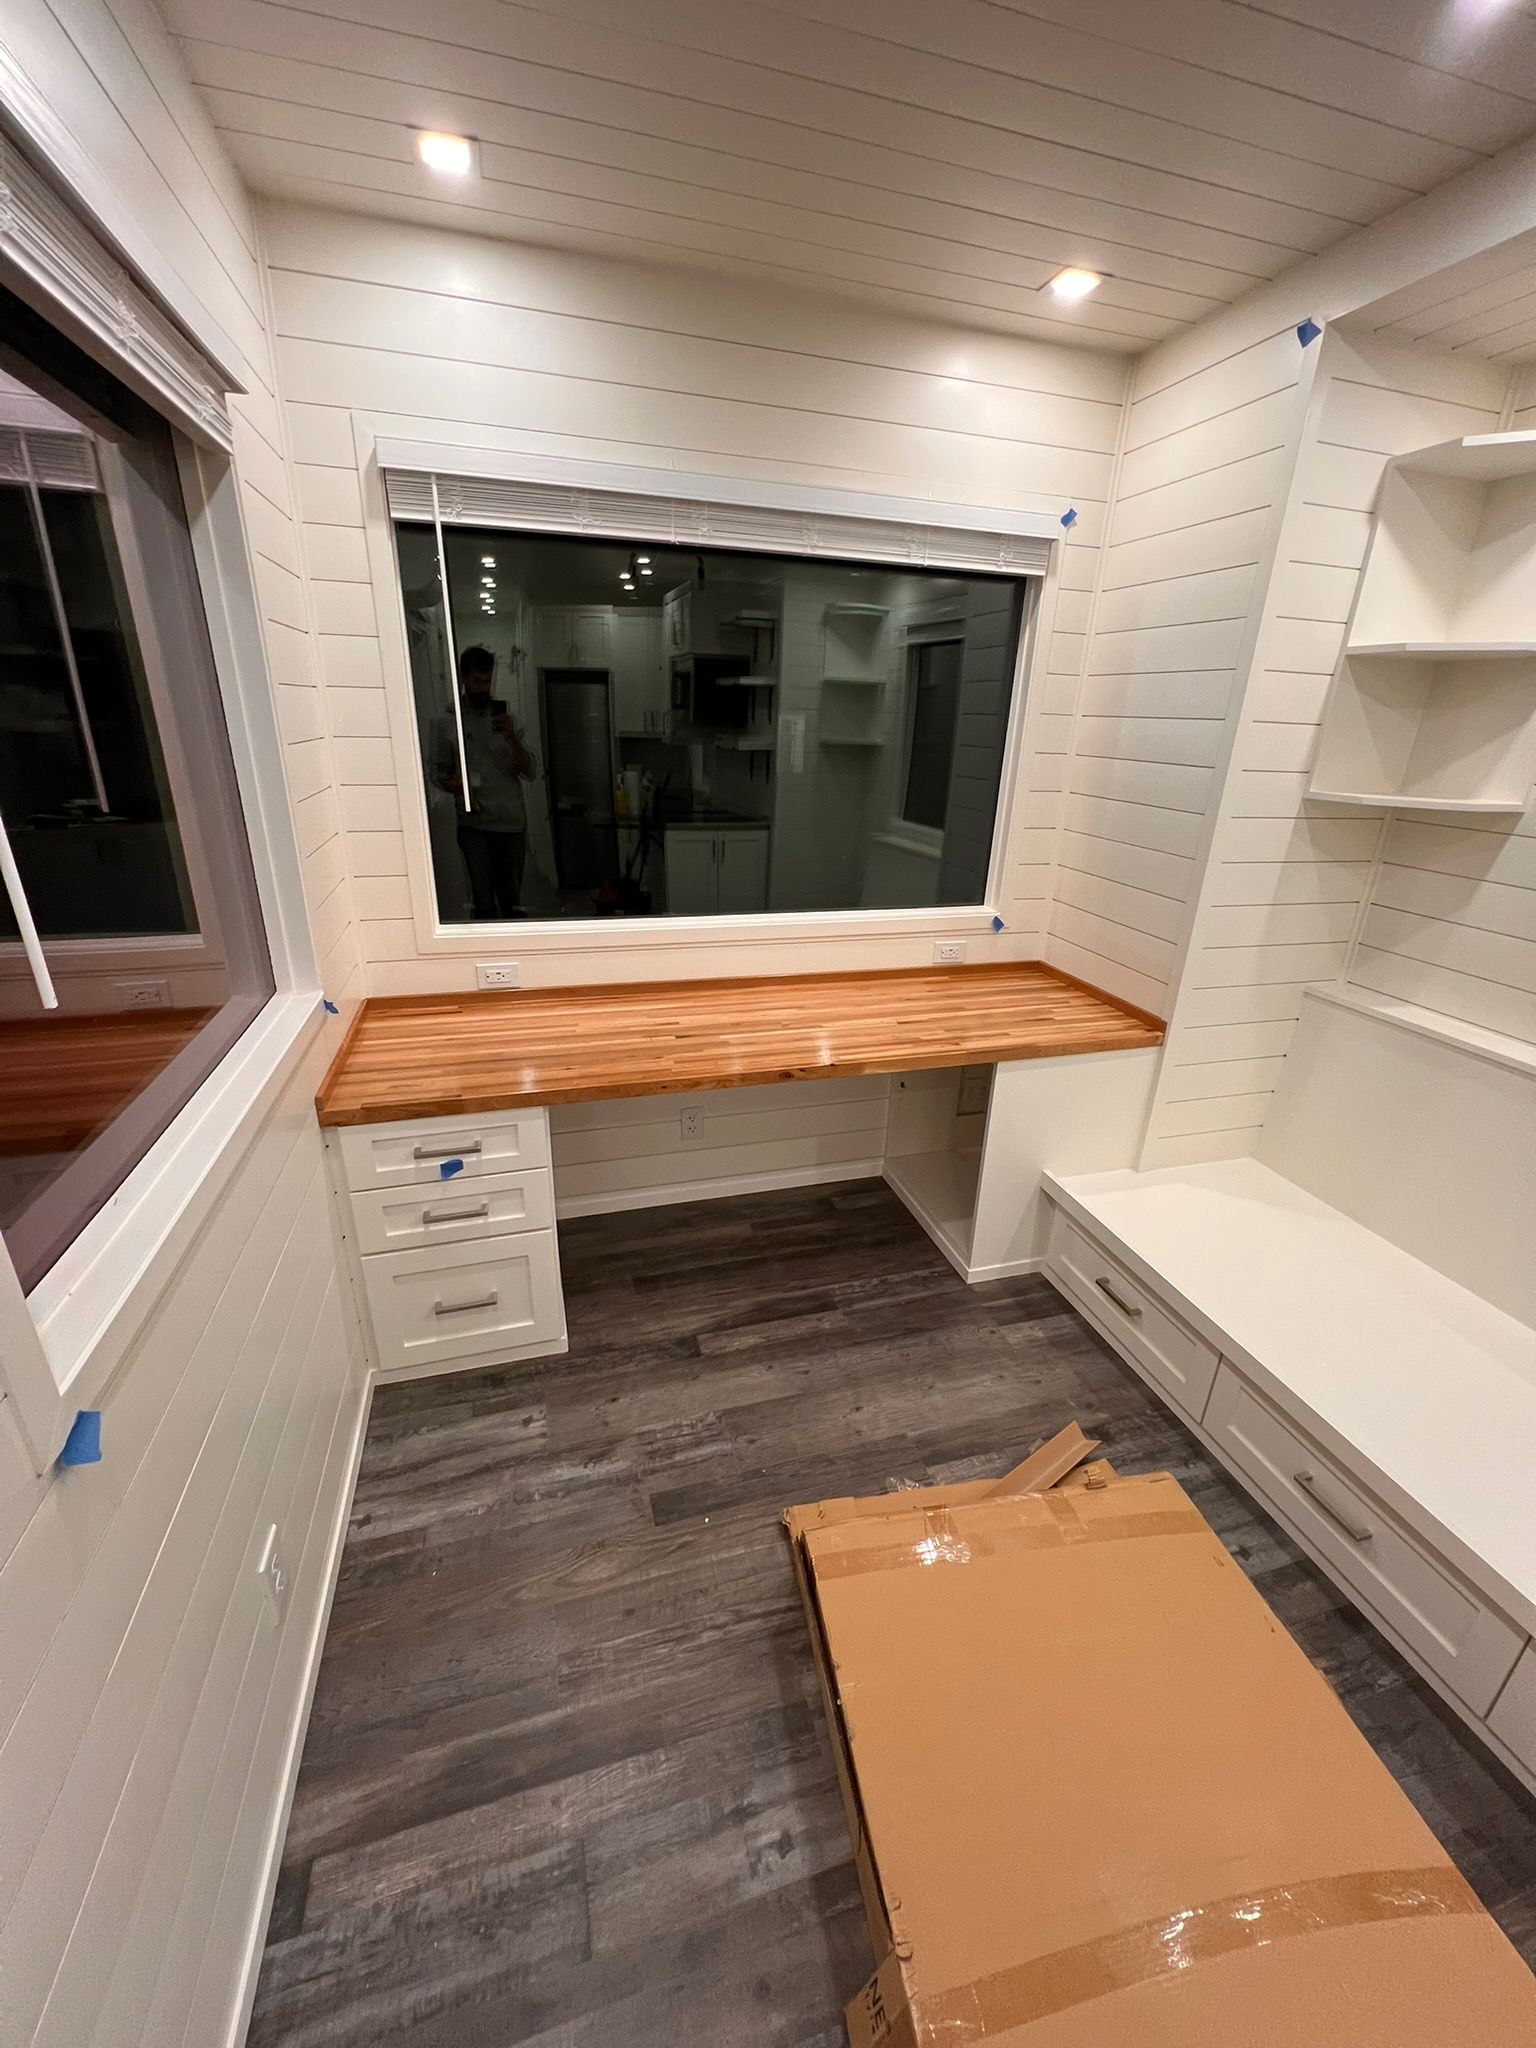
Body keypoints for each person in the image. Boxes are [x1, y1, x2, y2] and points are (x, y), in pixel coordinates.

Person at [432, 646, 539, 919]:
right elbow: (437, 772)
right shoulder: (446, 722)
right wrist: (451, 784)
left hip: (511, 822)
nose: (483, 688)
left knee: (512, 902)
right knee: (483, 902)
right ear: (463, 679)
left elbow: (531, 771)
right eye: (477, 681)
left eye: (488, 681)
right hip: (473, 823)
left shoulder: (509, 719)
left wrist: (513, 738)